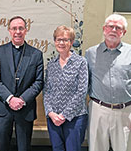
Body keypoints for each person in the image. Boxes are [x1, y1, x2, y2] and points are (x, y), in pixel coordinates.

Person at [0, 16, 44, 151]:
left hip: (25, 108)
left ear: (26, 30)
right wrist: (10, 99)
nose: (17, 32)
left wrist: (21, 99)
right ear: (9, 31)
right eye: (14, 28)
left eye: (21, 28)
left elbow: (38, 82)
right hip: (3, 107)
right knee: (2, 147)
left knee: (24, 147)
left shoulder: (36, 54)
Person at [85, 14, 131, 151]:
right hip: (98, 110)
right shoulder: (90, 53)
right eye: (111, 26)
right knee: (96, 148)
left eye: (118, 27)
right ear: (104, 29)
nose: (113, 30)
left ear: (124, 32)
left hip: (125, 111)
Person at [43, 25, 88, 151]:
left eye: (65, 40)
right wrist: (50, 113)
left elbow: (81, 91)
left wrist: (64, 115)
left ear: (72, 42)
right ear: (55, 41)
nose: (61, 43)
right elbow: (47, 91)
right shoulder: (51, 64)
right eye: (58, 39)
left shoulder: (81, 62)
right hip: (53, 119)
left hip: (75, 117)